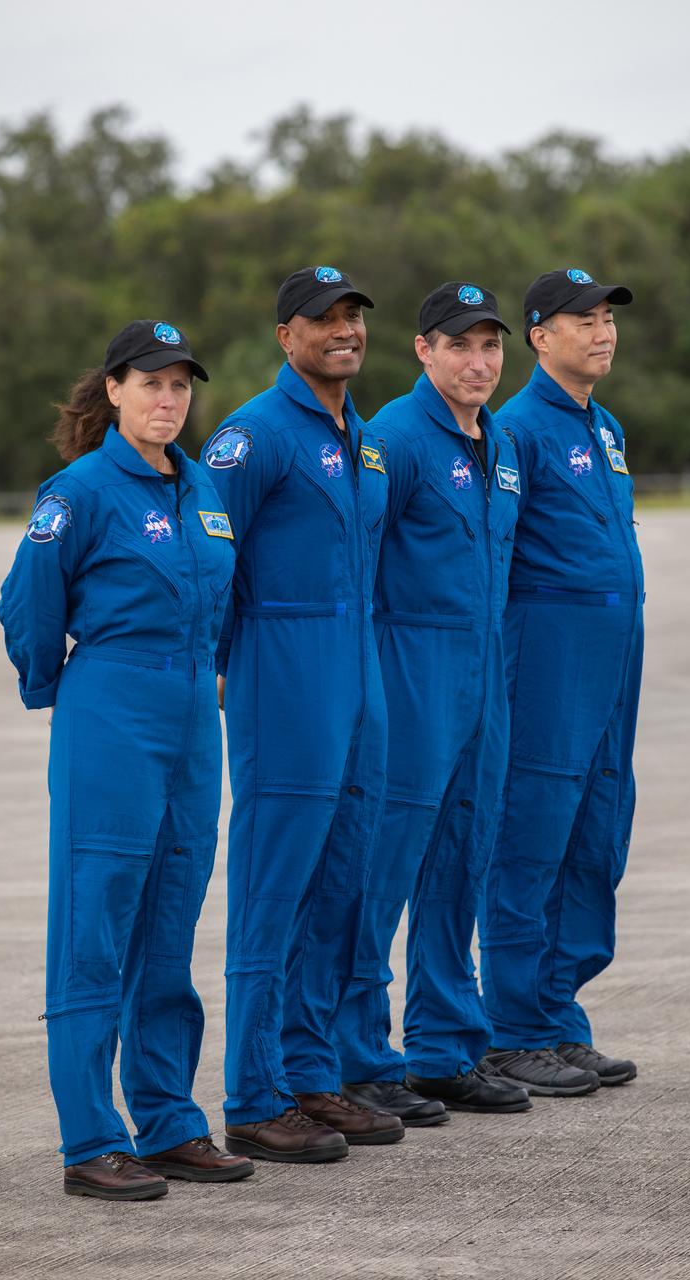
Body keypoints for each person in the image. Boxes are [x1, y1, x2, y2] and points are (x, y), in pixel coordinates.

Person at [0, 319, 253, 1199]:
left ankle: (170, 1120)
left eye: (180, 385)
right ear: (112, 391)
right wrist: (58, 696)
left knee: (170, 923)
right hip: (111, 707)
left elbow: (223, 600)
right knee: (95, 924)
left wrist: (207, 672)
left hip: (191, 716)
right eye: (149, 383)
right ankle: (90, 1140)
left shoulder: (204, 488)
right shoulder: (79, 491)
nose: (167, 399)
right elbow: (29, 604)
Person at [201, 267, 399, 1162]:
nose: (343, 330)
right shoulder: (255, 435)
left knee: (340, 881)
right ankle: (251, 1094)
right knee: (274, 884)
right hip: (283, 674)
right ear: (287, 335)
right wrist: (216, 664)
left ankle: (309, 1074)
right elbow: (209, 558)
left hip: (357, 675)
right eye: (324, 319)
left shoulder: (359, 438)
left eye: (352, 316)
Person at [331, 281, 531, 1123]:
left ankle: (445, 1049)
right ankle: (356, 1055)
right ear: (423, 350)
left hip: (483, 670)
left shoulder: (502, 444)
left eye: (489, 347)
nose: (478, 362)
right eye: (459, 345)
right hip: (410, 667)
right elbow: (357, 562)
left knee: (463, 855)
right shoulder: (393, 442)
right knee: (385, 861)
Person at [479, 269, 644, 1096]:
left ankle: (556, 1014)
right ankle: (511, 1028)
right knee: (532, 830)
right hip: (547, 650)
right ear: (540, 336)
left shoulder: (604, 426)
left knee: (595, 831)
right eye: (583, 319)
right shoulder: (516, 432)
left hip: (613, 653)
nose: (602, 331)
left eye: (607, 317)